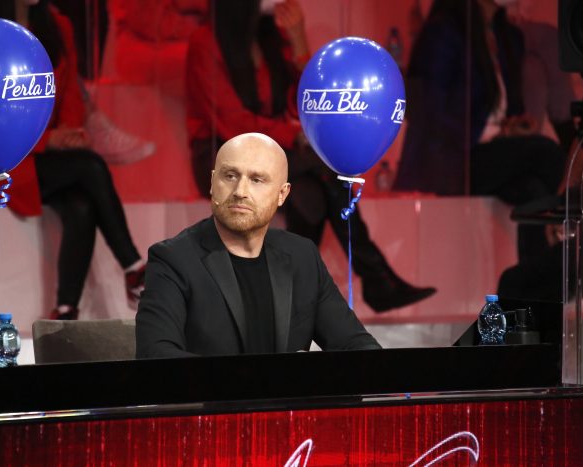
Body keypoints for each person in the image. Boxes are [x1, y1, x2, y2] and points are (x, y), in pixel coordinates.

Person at [185, 0, 435, 313]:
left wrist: (300, 43)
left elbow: (302, 103)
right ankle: (373, 276)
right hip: (223, 155)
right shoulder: (206, 42)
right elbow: (230, 121)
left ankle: (287, 295)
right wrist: (294, 135)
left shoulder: (269, 35)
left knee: (312, 196)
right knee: (321, 169)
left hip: (274, 150)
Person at [0, 0, 146, 319]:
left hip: (50, 158)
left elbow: (70, 96)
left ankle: (65, 311)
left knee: (81, 205)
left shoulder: (58, 26)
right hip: (2, 164)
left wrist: (69, 134)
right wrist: (48, 139)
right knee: (90, 167)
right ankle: (134, 268)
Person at [136, 133, 381, 358]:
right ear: (212, 183)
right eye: (230, 176)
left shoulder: (302, 256)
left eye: (257, 180)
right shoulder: (173, 260)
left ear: (282, 194)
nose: (240, 191)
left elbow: (358, 345)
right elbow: (156, 356)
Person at [393, 0, 566, 265]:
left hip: (491, 154)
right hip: (456, 159)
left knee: (534, 191)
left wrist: (514, 126)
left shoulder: (509, 36)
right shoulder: (445, 31)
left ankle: (531, 285)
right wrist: (491, 132)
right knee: (546, 152)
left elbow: (509, 107)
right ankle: (566, 225)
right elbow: (429, 112)